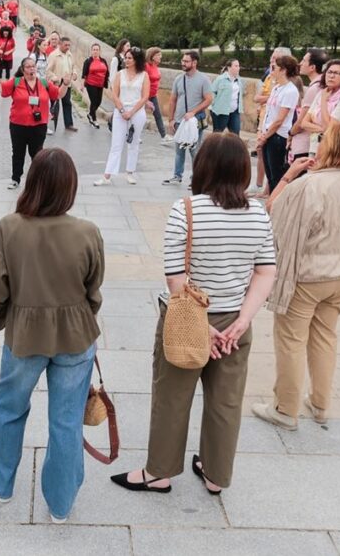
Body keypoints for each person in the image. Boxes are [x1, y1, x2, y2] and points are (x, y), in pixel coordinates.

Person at [112, 134, 276, 495]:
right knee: (226, 402)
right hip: (235, 322)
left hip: (187, 320)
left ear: (203, 166)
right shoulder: (258, 215)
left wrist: (203, 326)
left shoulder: (185, 210)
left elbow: (176, 279)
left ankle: (159, 472)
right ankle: (216, 475)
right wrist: (243, 321)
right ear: (243, 170)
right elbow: (265, 271)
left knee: (172, 397)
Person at [0, 148, 104, 523]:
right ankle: (61, 503)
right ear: (70, 187)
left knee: (10, 407)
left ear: (32, 183)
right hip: (76, 334)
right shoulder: (87, 232)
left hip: (25, 334)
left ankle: (0, 482)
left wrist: (7, 313)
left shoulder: (9, 227)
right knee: (65, 419)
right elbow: (93, 290)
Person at [254, 122, 340, 429]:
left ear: (331, 147)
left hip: (309, 274)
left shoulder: (310, 185)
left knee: (292, 340)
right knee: (325, 337)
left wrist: (288, 175)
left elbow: (273, 209)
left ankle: (285, 409)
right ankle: (320, 404)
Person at [0, 57, 67, 190]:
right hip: (18, 124)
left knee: (37, 154)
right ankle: (15, 179)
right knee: (18, 152)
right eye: (28, 67)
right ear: (23, 70)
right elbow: (1, 89)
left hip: (39, 125)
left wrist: (66, 84)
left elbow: (58, 94)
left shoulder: (44, 83)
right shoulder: (16, 82)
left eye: (33, 66)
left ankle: (38, 180)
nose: (32, 69)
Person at [95, 47, 150, 186]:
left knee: (133, 142)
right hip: (120, 111)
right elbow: (115, 94)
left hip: (137, 112)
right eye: (126, 57)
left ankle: (130, 172)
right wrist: (121, 110)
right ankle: (107, 175)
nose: (126, 60)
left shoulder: (144, 75)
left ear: (137, 60)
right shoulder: (120, 74)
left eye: (130, 58)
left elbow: (145, 97)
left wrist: (131, 112)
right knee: (116, 144)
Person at [161, 51, 213, 186]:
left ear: (194, 63)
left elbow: (209, 99)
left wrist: (193, 112)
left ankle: (196, 179)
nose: (183, 63)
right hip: (179, 120)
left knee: (194, 150)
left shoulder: (203, 79)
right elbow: (172, 100)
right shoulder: (179, 79)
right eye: (182, 61)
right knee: (179, 149)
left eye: (186, 61)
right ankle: (177, 176)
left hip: (195, 121)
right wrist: (171, 119)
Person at [297, 59, 340, 157]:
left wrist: (323, 102)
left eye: (337, 73)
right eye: (329, 72)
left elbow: (329, 127)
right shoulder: (323, 92)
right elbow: (304, 123)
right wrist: (323, 129)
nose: (331, 76)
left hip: (334, 149)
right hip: (315, 146)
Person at [258, 55, 301, 193]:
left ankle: (276, 203)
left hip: (277, 136)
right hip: (269, 133)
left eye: (274, 67)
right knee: (270, 174)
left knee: (276, 174)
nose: (271, 70)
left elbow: (279, 120)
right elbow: (269, 112)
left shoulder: (290, 91)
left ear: (283, 70)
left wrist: (265, 136)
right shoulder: (277, 88)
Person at [252, 48, 292, 191]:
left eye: (275, 61)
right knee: (268, 164)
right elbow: (257, 98)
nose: (271, 63)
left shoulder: (290, 87)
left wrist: (265, 136)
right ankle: (264, 189)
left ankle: (272, 195)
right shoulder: (272, 82)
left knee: (276, 169)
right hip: (266, 126)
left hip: (278, 133)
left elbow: (280, 118)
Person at [288, 49, 328, 167]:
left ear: (312, 67)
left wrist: (290, 134)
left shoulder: (315, 88)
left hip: (305, 144)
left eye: (304, 60)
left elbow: (301, 122)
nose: (300, 63)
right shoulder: (324, 85)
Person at [46, 36, 78, 134]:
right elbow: (48, 71)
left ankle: (69, 124)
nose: (67, 47)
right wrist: (54, 77)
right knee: (54, 105)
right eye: (65, 45)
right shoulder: (53, 55)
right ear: (60, 44)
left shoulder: (69, 54)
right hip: (56, 84)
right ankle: (51, 125)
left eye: (69, 45)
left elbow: (73, 66)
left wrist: (75, 73)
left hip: (66, 83)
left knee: (67, 103)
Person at [209, 59, 245, 135]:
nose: (238, 68)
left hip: (234, 112)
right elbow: (212, 92)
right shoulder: (220, 79)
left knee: (235, 135)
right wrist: (213, 106)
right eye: (236, 66)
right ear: (229, 67)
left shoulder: (239, 80)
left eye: (238, 66)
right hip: (221, 111)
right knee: (217, 134)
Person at [81, 43, 110, 129]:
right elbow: (84, 74)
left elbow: (107, 72)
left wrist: (108, 81)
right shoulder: (88, 61)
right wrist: (82, 85)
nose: (95, 51)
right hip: (91, 84)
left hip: (100, 84)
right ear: (91, 51)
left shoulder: (103, 61)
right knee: (93, 101)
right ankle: (94, 120)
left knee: (98, 102)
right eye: (94, 49)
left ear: (100, 51)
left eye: (97, 50)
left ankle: (90, 114)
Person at [145, 47, 166, 139]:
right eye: (158, 55)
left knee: (158, 115)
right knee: (135, 115)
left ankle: (164, 136)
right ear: (152, 56)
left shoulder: (156, 67)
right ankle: (112, 121)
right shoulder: (146, 66)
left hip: (153, 95)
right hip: (144, 95)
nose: (160, 56)